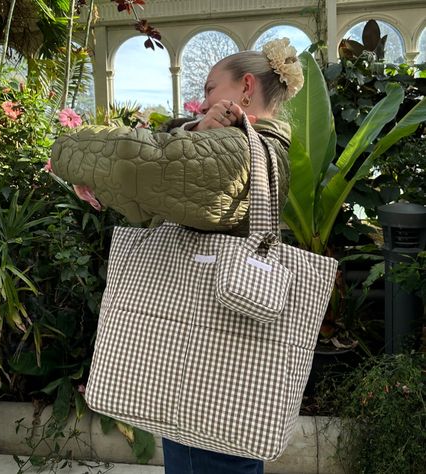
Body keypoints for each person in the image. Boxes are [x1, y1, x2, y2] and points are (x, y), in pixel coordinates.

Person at [51, 37, 304, 474]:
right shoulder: (241, 145)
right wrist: (197, 129)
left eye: (209, 90)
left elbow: (137, 164)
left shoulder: (240, 151)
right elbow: (167, 170)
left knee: (209, 460)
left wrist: (67, 155)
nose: (201, 102)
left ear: (245, 88)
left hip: (213, 375)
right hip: (209, 372)